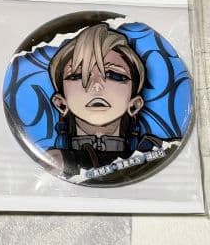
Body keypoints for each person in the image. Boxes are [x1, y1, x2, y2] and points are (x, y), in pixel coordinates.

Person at [45, 23, 169, 177]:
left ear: (135, 104)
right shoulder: (54, 162)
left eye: (114, 75)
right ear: (61, 103)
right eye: (78, 76)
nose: (96, 86)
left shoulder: (157, 150)